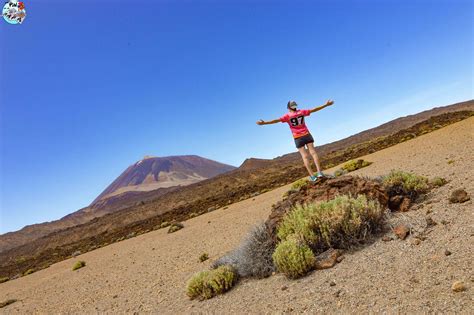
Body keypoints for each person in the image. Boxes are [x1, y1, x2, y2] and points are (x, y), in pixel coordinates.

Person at [256, 100, 334, 181]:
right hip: (307, 134)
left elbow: (276, 120)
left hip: (298, 137)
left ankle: (312, 177)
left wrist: (264, 123)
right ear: (295, 106)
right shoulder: (302, 112)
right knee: (313, 153)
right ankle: (319, 172)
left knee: (305, 157)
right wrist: (326, 105)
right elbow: (314, 109)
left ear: (288, 108)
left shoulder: (287, 116)